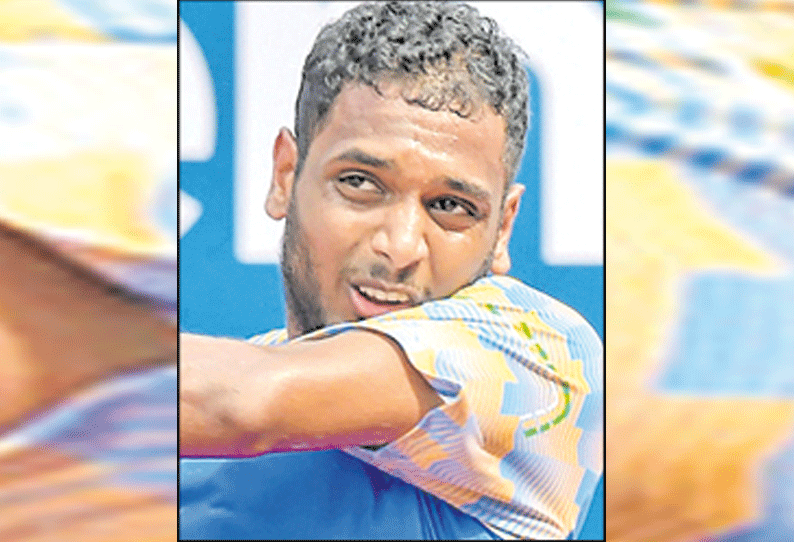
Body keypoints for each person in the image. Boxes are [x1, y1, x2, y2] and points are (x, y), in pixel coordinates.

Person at [180, 1, 602, 539]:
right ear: (285, 175)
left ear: (502, 228)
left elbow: (239, 403)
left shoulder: (544, 357)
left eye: (450, 206)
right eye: (360, 183)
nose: (400, 247)